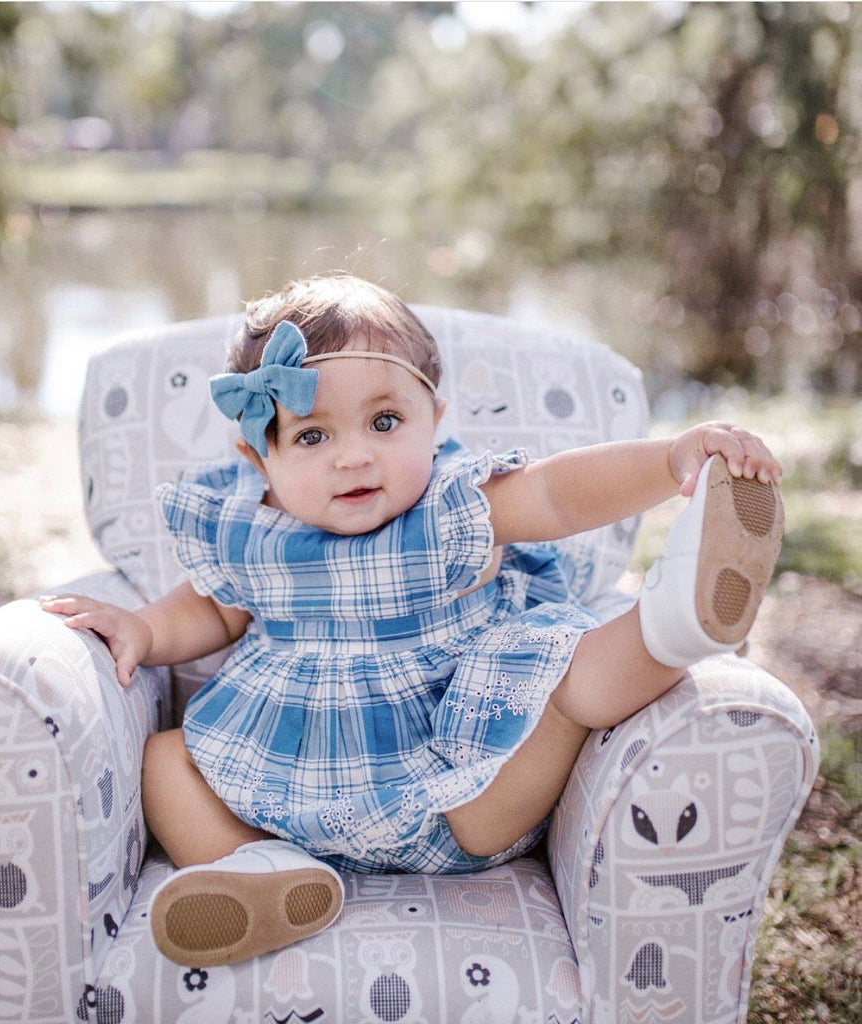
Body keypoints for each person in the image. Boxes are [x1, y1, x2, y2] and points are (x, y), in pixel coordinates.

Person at [40, 273, 784, 969]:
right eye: (311, 435)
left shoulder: (453, 508)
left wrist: (671, 461)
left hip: (461, 772)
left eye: (385, 421)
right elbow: (209, 607)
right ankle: (257, 873)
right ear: (256, 458)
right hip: (283, 792)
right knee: (166, 762)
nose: (353, 457)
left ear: (435, 421)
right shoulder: (250, 530)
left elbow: (558, 496)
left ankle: (669, 627)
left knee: (561, 683)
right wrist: (142, 629)